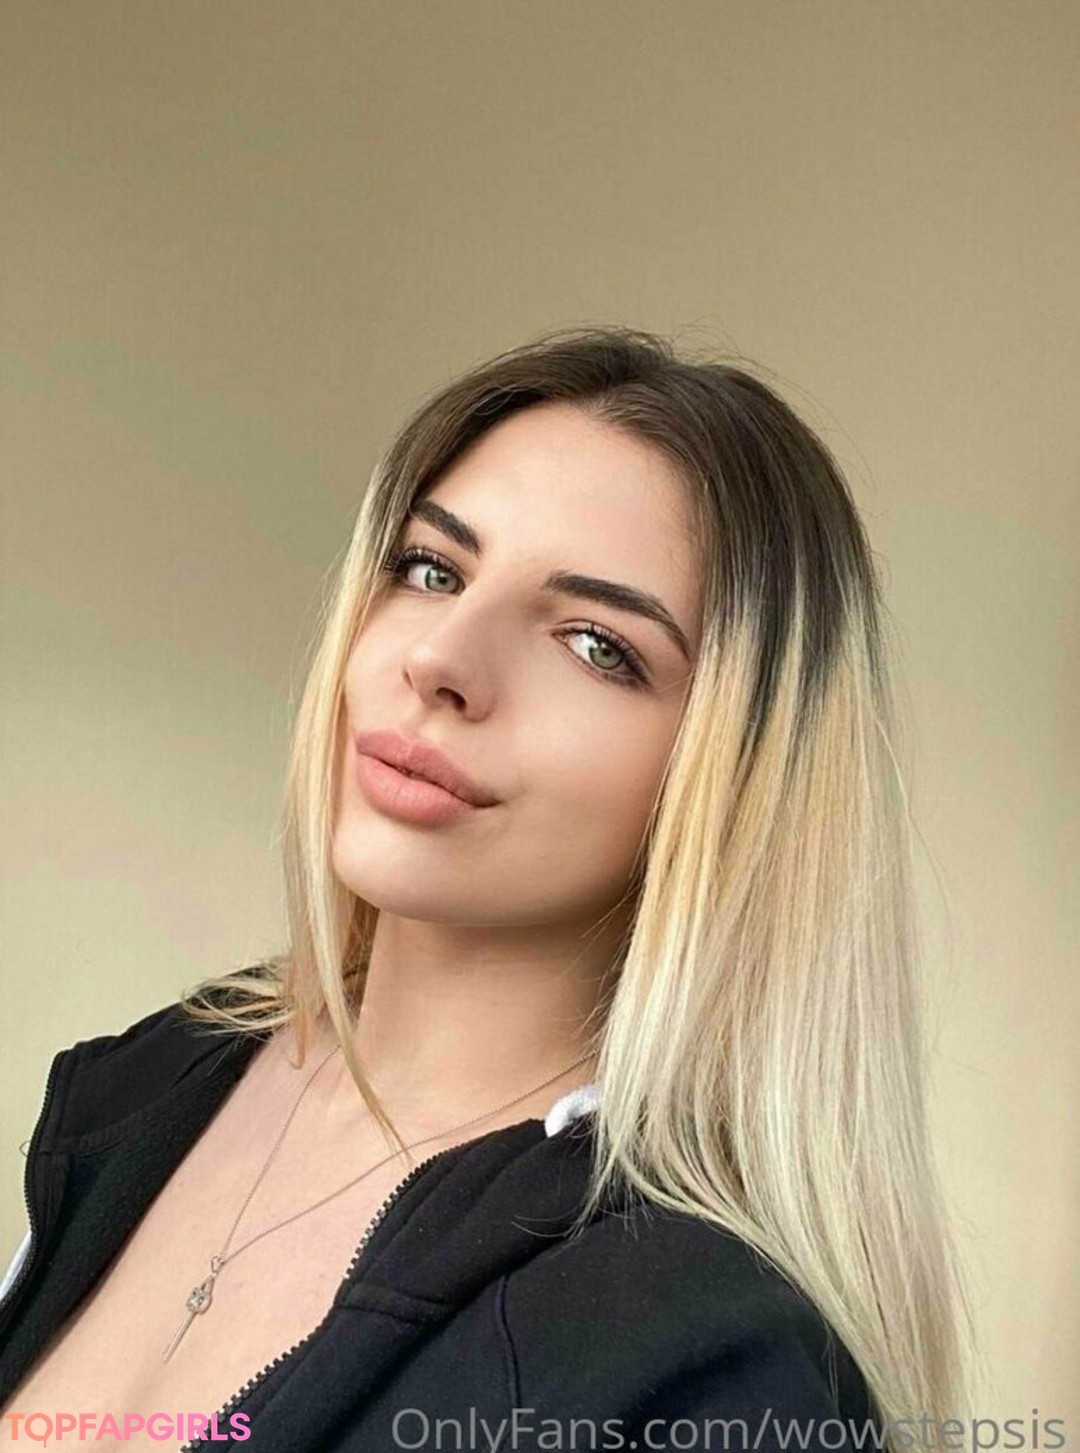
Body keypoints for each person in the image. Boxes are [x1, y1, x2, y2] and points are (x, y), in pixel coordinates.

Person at [0, 327, 972, 1451]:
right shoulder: (149, 1080)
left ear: (742, 777)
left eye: (596, 643)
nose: (442, 659)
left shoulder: (708, 1367)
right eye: (432, 570)